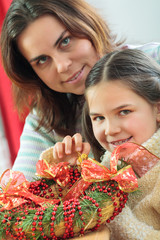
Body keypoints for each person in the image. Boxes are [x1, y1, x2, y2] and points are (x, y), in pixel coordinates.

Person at [0, 0, 160, 182]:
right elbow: (14, 199)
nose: (62, 66)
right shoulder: (46, 120)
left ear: (87, 25)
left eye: (65, 41)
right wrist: (63, 182)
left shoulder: (156, 61)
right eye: (43, 60)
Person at [51, 49, 160, 239]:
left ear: (158, 109)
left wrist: (108, 212)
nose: (110, 130)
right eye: (99, 117)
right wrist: (71, 178)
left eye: (124, 112)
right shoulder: (102, 168)